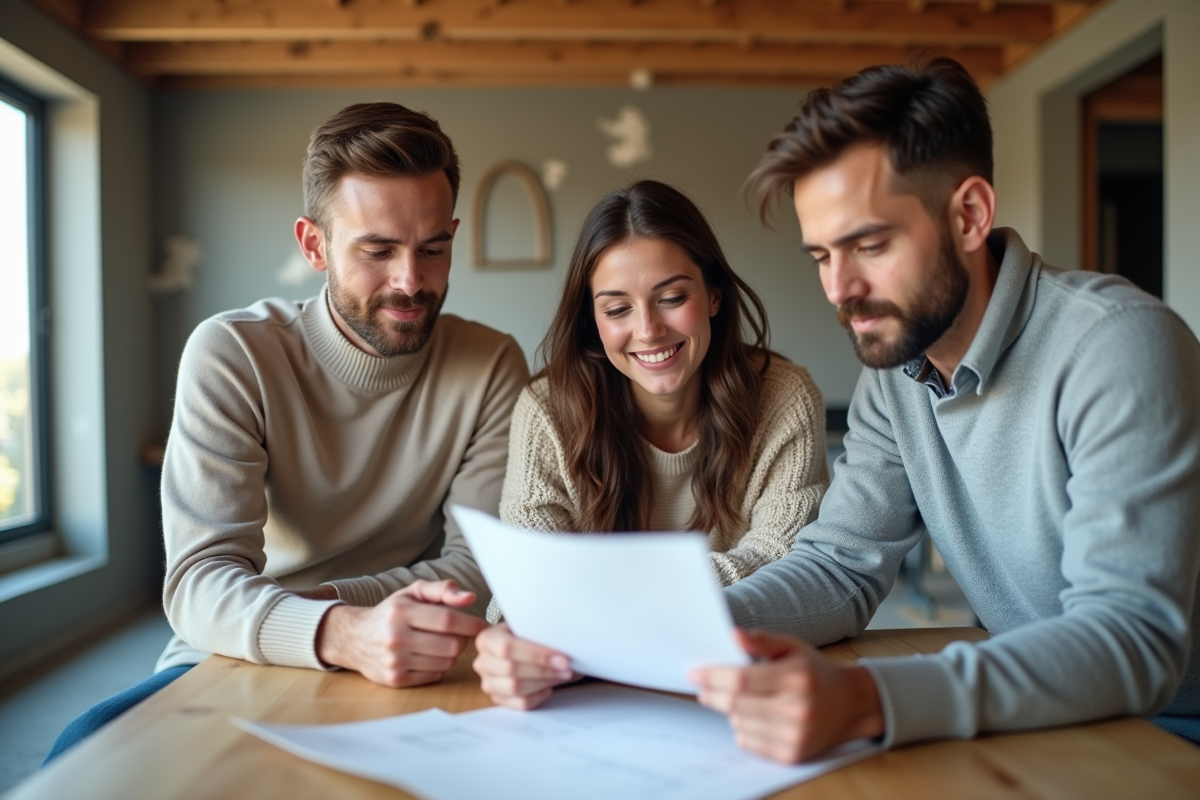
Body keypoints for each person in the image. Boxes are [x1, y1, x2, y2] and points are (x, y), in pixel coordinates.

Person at [683, 57, 1200, 761]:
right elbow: (841, 566)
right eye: (820, 256)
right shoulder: (898, 376)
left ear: (969, 215)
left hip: (1166, 732)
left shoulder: (1117, 345)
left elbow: (1132, 637)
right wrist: (674, 625)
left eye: (869, 245)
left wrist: (873, 698)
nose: (840, 289)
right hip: (1037, 721)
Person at [45, 102, 529, 762]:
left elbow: (475, 572)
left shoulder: (493, 362)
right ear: (313, 245)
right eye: (377, 251)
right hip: (243, 648)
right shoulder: (232, 352)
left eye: (433, 249)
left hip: (418, 651)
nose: (410, 281)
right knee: (81, 756)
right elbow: (199, 584)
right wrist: (339, 628)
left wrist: (320, 609)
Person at [473, 180, 830, 709]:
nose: (648, 330)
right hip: (589, 698)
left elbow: (785, 566)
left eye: (671, 298)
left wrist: (598, 598)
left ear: (713, 296)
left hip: (730, 686)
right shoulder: (546, 409)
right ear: (593, 322)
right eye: (617, 309)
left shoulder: (785, 397)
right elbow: (528, 587)